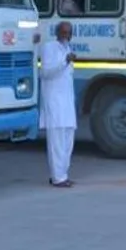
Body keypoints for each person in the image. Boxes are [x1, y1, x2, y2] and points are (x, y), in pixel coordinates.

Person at [40, 21, 77, 187]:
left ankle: (63, 174)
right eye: (63, 32)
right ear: (57, 33)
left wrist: (67, 61)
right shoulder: (50, 47)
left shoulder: (67, 49)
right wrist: (64, 62)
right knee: (56, 142)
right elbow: (46, 73)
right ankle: (57, 178)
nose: (66, 35)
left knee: (68, 140)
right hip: (54, 103)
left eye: (68, 33)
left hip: (67, 104)